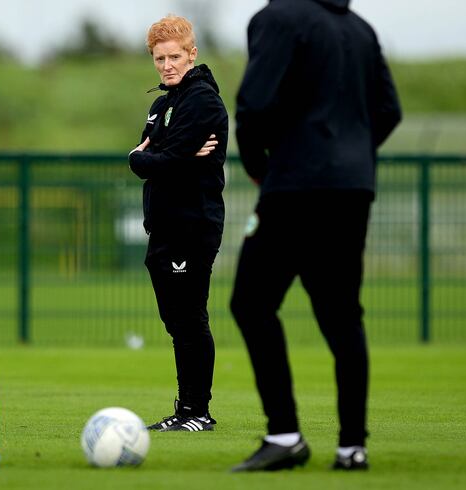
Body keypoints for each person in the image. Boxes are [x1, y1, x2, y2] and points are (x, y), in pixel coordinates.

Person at [229, 0, 401, 471]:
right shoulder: (360, 29)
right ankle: (351, 447)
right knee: (343, 314)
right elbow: (389, 109)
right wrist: (351, 157)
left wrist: (262, 167)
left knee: (251, 302)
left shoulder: (277, 17)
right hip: (352, 188)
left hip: (296, 186)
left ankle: (284, 435)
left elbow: (253, 105)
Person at [129, 15, 228, 432]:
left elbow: (156, 160)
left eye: (174, 56)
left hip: (192, 226)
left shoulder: (202, 100)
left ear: (192, 54)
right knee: (177, 323)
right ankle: (186, 409)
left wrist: (146, 158)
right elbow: (159, 158)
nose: (167, 65)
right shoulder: (162, 104)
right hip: (164, 226)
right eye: (159, 58)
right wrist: (161, 158)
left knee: (190, 321)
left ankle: (196, 412)